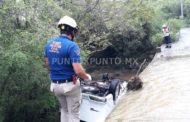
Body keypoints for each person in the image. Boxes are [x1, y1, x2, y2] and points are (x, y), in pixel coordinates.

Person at [44, 15, 92, 122]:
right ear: (72, 31)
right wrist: (87, 77)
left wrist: (54, 73)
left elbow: (47, 64)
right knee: (74, 114)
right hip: (70, 86)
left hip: (55, 85)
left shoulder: (49, 44)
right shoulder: (72, 46)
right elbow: (78, 70)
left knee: (65, 111)